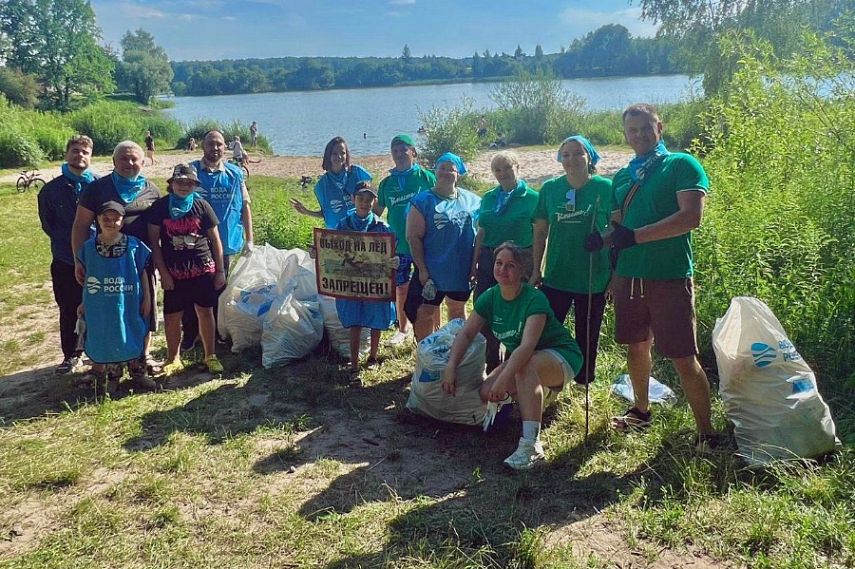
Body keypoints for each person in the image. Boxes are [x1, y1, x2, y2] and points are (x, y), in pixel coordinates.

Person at [585, 103, 717, 449]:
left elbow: (691, 218)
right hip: (629, 275)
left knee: (683, 358)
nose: (640, 135)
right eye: (633, 130)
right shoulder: (623, 176)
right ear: (625, 135)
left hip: (669, 275)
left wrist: (636, 236)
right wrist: (603, 240)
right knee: (636, 347)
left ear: (660, 127)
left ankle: (706, 432)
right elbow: (619, 229)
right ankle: (641, 412)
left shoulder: (681, 165)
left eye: (646, 128)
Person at [442, 242, 583, 470]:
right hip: (526, 359)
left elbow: (527, 347)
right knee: (487, 392)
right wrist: (451, 366)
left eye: (510, 265)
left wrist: (505, 377)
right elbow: (467, 333)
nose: (502, 270)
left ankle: (531, 446)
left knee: (523, 368)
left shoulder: (534, 299)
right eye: (499, 263)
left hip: (561, 356)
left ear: (522, 271)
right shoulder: (490, 297)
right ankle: (540, 394)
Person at [72, 140, 162, 375]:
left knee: (144, 310)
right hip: (105, 262)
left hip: (141, 263)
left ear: (143, 162)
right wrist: (79, 260)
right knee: (111, 309)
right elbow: (81, 225)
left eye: (134, 159)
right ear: (113, 162)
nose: (129, 163)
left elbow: (160, 228)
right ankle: (111, 361)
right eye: (123, 158)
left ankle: (140, 358)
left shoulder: (152, 189)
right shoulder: (97, 188)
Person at [531, 135, 612, 386]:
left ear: (590, 157)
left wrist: (602, 240)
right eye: (566, 154)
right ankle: (548, 378)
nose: (572, 159)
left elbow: (618, 228)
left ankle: (583, 380)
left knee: (588, 333)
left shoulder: (605, 188)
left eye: (578, 153)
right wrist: (536, 269)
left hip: (592, 276)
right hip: (557, 274)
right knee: (548, 330)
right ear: (560, 159)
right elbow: (540, 231)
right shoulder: (550, 189)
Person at [147, 164, 226, 376]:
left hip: (203, 270)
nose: (184, 186)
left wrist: (220, 271)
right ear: (171, 184)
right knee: (173, 316)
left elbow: (216, 240)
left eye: (189, 183)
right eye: (180, 182)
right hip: (174, 274)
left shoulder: (202, 206)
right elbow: (154, 243)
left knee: (205, 312)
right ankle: (173, 358)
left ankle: (210, 355)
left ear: (195, 185)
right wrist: (163, 273)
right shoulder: (160, 207)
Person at [183, 130, 255, 351]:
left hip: (225, 241)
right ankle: (191, 333)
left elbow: (245, 207)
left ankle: (215, 333)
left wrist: (250, 239)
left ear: (226, 147)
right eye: (210, 144)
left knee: (219, 288)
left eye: (219, 145)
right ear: (202, 146)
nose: (215, 148)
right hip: (194, 243)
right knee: (191, 288)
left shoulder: (235, 173)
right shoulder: (192, 171)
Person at [76, 201, 154, 396]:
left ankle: (138, 373)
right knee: (110, 335)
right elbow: (89, 277)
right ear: (98, 220)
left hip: (129, 299)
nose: (111, 223)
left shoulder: (134, 245)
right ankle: (113, 377)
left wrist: (147, 299)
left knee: (133, 331)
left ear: (122, 221)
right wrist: (84, 302)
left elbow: (143, 272)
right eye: (106, 219)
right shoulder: (89, 247)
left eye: (115, 219)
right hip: (103, 302)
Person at [472, 150, 538, 372]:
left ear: (518, 167)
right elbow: (481, 231)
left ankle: (513, 365)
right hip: (490, 257)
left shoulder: (532, 198)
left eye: (507, 168)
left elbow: (540, 235)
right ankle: (491, 363)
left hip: (520, 259)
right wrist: (474, 263)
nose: (503, 174)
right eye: (497, 170)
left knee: (516, 310)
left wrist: (538, 268)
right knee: (485, 307)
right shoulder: (489, 197)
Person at [405, 152, 480, 341]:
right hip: (431, 271)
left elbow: (482, 235)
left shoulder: (473, 201)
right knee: (425, 312)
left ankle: (456, 353)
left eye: (451, 169)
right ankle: (426, 353)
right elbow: (413, 237)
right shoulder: (422, 201)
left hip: (460, 269)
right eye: (442, 168)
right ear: (435, 171)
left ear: (459, 174)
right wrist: (422, 269)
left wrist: (474, 266)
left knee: (456, 309)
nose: (446, 172)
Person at [38, 135, 97, 375]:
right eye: (75, 150)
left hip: (98, 260)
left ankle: (98, 351)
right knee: (68, 307)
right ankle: (71, 355)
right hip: (64, 260)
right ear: (66, 154)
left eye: (84, 152)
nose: (79, 155)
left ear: (90, 156)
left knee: (99, 305)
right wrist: (71, 249)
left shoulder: (99, 186)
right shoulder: (51, 191)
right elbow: (48, 225)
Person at [375, 134, 436, 345]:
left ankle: (435, 328)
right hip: (399, 245)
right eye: (395, 151)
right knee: (401, 287)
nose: (400, 154)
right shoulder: (386, 184)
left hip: (425, 244)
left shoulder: (426, 177)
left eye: (404, 150)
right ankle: (402, 328)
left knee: (430, 288)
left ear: (413, 152)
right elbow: (376, 212)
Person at [332, 182, 397, 374]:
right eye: (361, 198)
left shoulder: (382, 226)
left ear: (374, 201)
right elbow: (331, 250)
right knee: (355, 321)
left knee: (377, 317)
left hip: (375, 281)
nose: (364, 203)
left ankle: (373, 356)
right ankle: (353, 362)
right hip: (351, 283)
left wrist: (395, 261)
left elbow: (392, 252)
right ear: (353, 199)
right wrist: (317, 252)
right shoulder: (343, 225)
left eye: (369, 199)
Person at [290, 136, 372, 229]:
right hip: (335, 233)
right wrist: (307, 211)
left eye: (343, 153)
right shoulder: (321, 185)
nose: (339, 157)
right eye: (335, 153)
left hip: (358, 230)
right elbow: (325, 213)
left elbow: (373, 197)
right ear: (328, 155)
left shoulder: (357, 172)